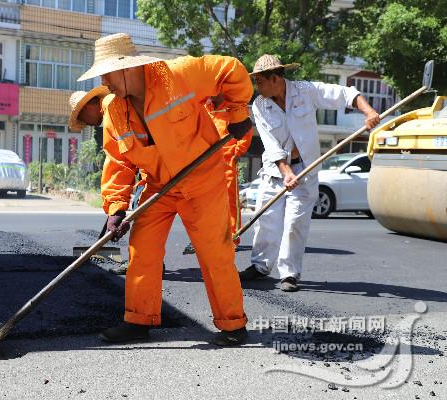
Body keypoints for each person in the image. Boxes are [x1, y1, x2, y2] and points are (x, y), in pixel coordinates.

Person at [78, 33, 253, 345]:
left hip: (203, 179)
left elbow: (232, 70)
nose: (105, 82)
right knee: (142, 249)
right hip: (160, 186)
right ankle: (138, 320)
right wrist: (116, 208)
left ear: (126, 68)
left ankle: (232, 325)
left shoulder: (178, 74)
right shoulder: (114, 110)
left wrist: (238, 113)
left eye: (107, 74)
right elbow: (118, 161)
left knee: (215, 254)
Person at [239, 54, 380, 292]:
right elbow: (271, 144)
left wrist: (368, 112)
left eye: (260, 81)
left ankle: (289, 274)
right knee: (267, 221)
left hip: (305, 170)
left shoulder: (306, 90)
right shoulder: (261, 106)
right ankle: (260, 266)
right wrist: (285, 172)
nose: (257, 87)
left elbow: (345, 95)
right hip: (275, 172)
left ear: (274, 78)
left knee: (295, 223)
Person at [183, 94, 253, 254]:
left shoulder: (234, 107)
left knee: (229, 202)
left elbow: (246, 132)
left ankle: (232, 237)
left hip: (226, 162)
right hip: (205, 163)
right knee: (203, 203)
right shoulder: (205, 107)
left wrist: (235, 153)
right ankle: (204, 238)